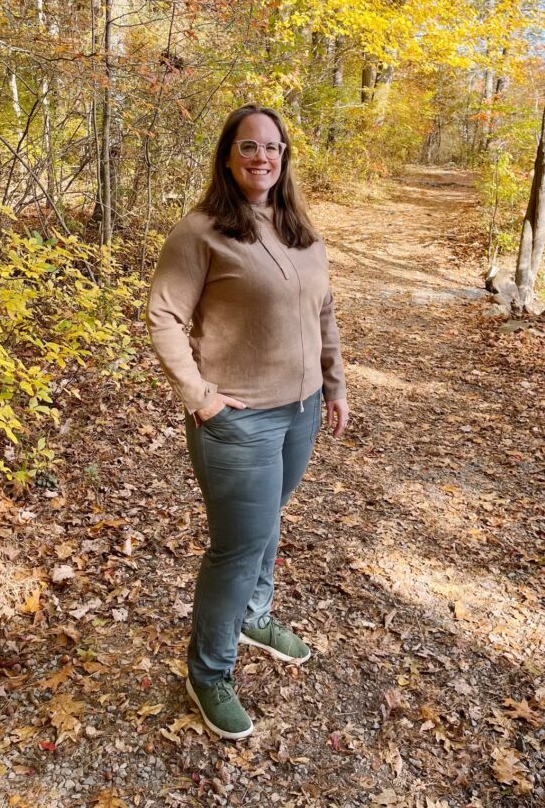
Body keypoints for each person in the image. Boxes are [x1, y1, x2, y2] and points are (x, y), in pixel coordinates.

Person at [146, 103, 348, 740]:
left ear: (284, 157)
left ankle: (255, 616)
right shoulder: (201, 231)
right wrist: (199, 396)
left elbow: (325, 313)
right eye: (249, 147)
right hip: (239, 420)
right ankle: (208, 672)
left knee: (266, 524)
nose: (263, 157)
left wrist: (335, 387)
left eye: (273, 148)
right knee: (236, 547)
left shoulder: (299, 229)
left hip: (302, 412)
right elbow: (163, 317)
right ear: (228, 156)